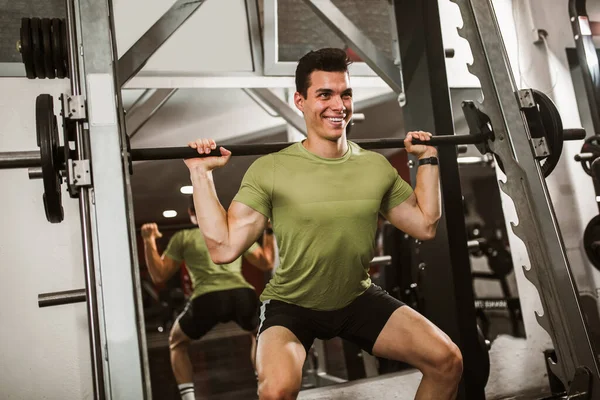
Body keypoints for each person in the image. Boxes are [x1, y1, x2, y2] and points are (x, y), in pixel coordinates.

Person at [183, 48, 463, 400]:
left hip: (356, 298)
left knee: (447, 360)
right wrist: (200, 173)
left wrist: (429, 159)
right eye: (324, 94)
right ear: (300, 100)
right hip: (292, 306)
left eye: (345, 93)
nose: (338, 105)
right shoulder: (271, 169)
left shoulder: (374, 167)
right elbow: (223, 249)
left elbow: (425, 225)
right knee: (278, 390)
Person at [141, 196, 275, 400]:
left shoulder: (183, 237)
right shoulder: (234, 232)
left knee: (177, 342)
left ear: (191, 215)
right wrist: (269, 229)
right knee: (258, 334)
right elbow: (266, 262)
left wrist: (148, 239)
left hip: (206, 299)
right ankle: (265, 387)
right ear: (218, 211)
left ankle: (189, 398)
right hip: (241, 294)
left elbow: (159, 275)